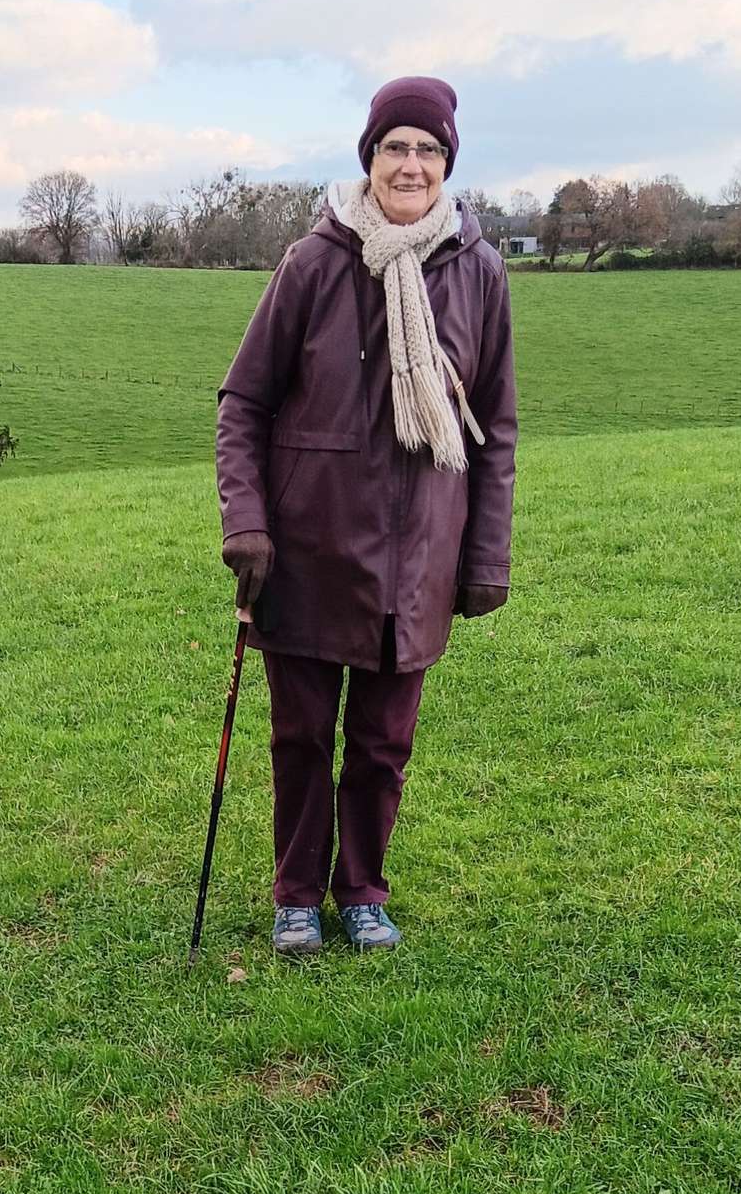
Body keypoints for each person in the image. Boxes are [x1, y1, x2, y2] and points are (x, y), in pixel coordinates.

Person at [215, 75, 516, 954]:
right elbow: (244, 403)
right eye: (395, 147)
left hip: (418, 553)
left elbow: (494, 427)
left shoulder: (479, 271)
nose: (410, 164)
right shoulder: (313, 262)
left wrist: (484, 558)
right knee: (302, 735)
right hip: (308, 547)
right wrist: (246, 522)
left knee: (383, 743)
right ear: (369, 157)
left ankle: (363, 890)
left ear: (447, 162)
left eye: (428, 149)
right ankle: (296, 894)